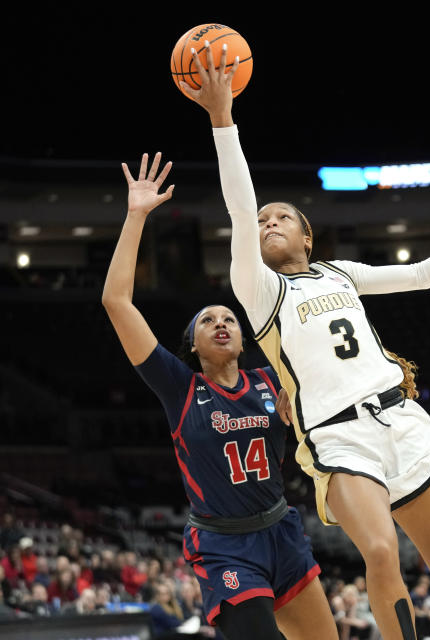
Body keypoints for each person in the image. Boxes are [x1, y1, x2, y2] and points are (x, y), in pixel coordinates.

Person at [181, 42, 430, 640]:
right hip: (338, 434)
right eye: (265, 220)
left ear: (307, 235)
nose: (268, 223)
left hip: (400, 421)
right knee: (379, 550)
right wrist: (223, 120)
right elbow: (240, 212)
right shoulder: (259, 289)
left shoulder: (341, 273)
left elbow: (421, 274)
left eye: (282, 218)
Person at [101, 153, 336, 640]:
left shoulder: (273, 380)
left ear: (244, 339)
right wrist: (137, 214)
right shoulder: (179, 386)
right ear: (191, 344)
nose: (221, 323)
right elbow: (116, 301)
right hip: (225, 547)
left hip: (282, 532)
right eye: (207, 320)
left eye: (228, 317)